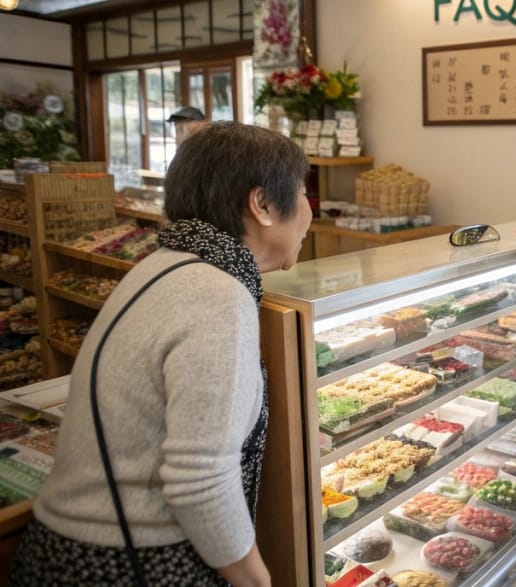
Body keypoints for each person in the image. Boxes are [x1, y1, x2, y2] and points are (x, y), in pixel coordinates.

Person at [9, 122, 312, 586]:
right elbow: (200, 481)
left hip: (73, 552)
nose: (310, 210)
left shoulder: (164, 264)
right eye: (302, 191)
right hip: (127, 564)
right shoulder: (216, 293)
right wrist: (257, 581)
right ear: (264, 205)